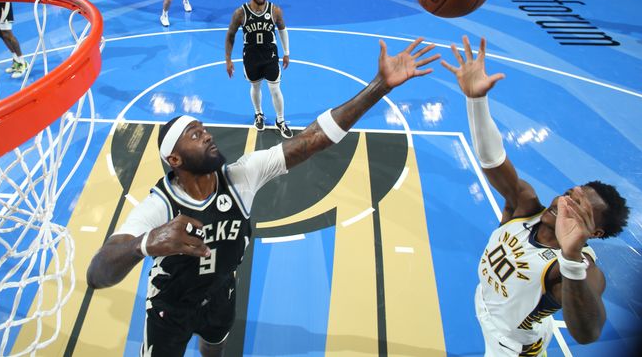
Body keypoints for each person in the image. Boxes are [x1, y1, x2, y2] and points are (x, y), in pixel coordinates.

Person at [87, 37, 440, 357]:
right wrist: (144, 244)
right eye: (195, 135)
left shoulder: (242, 175)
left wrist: (378, 87)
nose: (208, 135)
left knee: (215, 345)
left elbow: (311, 139)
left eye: (204, 129)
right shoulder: (159, 206)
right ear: (174, 160)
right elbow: (97, 273)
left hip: (221, 294)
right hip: (170, 309)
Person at [441, 36, 629, 357]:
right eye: (570, 193)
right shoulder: (526, 206)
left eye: (579, 207)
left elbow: (588, 332)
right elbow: (493, 161)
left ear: (595, 233)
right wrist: (476, 102)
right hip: (488, 306)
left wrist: (570, 259)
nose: (564, 202)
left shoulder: (577, 267)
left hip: (511, 348)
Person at [225, 0, 292, 138]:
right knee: (255, 87)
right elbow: (230, 35)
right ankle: (258, 114)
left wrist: (286, 52)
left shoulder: (275, 10)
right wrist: (228, 59)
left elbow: (282, 29)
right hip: (251, 57)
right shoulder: (240, 13)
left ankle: (280, 121)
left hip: (270, 56)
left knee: (275, 89)